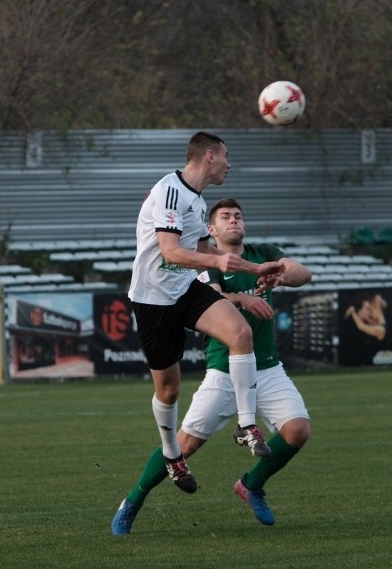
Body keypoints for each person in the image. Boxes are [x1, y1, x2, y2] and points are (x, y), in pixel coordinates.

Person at [113, 197, 313, 535]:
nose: (234, 220)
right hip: (224, 371)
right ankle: (133, 500)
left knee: (298, 430)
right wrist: (243, 298)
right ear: (211, 229)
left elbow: (303, 273)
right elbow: (214, 297)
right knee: (183, 446)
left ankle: (251, 485)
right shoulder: (208, 262)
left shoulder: (263, 250)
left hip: (266, 368)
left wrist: (283, 275)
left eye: (238, 215)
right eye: (225, 216)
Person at [128, 132, 286, 493]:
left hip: (185, 290)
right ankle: (172, 455)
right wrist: (222, 260)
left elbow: (200, 250)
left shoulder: (198, 201)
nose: (230, 165)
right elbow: (170, 252)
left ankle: (247, 425)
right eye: (226, 157)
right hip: (153, 300)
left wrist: (252, 270)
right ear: (210, 156)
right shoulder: (170, 189)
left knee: (239, 333)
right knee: (168, 390)